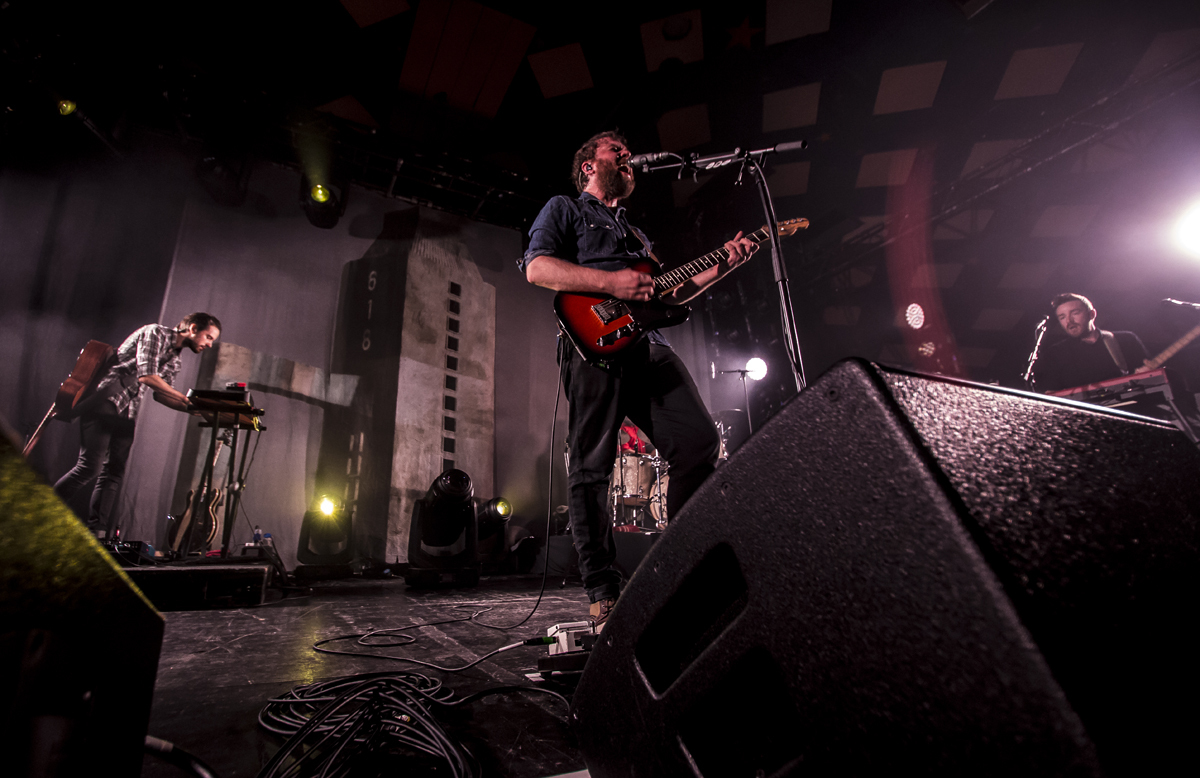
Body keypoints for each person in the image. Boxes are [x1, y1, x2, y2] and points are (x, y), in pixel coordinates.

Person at [519, 131, 756, 629]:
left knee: (698, 445)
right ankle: (603, 592)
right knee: (591, 469)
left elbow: (667, 296)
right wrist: (610, 282)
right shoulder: (566, 209)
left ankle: (676, 565)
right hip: (596, 347)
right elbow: (537, 268)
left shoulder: (639, 236)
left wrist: (722, 265)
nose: (627, 156)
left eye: (628, 151)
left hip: (650, 348)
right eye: (615, 149)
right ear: (588, 165)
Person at [53, 312, 221, 535]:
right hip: (107, 400)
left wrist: (197, 410)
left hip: (127, 411)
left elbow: (162, 395)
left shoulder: (176, 360)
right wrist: (184, 398)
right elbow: (147, 375)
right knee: (89, 467)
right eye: (208, 337)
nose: (209, 344)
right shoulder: (155, 332)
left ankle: (98, 533)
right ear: (192, 329)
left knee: (114, 472)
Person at [1034, 293, 1150, 393]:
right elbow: (1051, 393)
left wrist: (1148, 373)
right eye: (1062, 317)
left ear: (1092, 314)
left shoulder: (1126, 340)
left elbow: (1152, 375)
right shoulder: (1055, 353)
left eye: (1075, 313)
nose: (1069, 321)